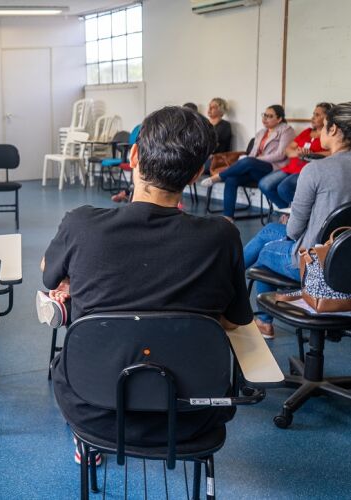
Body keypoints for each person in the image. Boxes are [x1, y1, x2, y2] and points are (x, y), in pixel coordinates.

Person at [43, 106, 253, 459]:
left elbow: (48, 273)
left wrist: (71, 275)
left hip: (94, 409)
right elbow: (233, 322)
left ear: (134, 155)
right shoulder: (222, 237)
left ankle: (88, 443)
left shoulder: (81, 225)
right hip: (194, 415)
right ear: (198, 172)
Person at [243, 102, 351, 339]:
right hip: (346, 262)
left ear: (333, 130)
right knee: (271, 230)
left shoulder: (315, 170)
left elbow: (293, 231)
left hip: (315, 265)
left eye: (323, 126)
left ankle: (263, 321)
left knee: (265, 251)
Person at [201, 105, 296, 220]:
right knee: (232, 179)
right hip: (256, 169)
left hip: (274, 168)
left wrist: (253, 160)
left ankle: (219, 176)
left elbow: (281, 154)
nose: (265, 118)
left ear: (279, 119)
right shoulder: (261, 132)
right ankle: (228, 217)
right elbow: (253, 153)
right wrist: (249, 159)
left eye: (270, 116)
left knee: (248, 161)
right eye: (264, 115)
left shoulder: (286, 130)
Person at [258, 102, 332, 211]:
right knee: (264, 184)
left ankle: (299, 214)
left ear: (327, 118)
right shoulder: (307, 132)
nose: (313, 117)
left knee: (283, 188)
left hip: (306, 171)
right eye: (313, 114)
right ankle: (287, 211)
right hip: (291, 168)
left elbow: (334, 152)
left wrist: (312, 153)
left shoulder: (329, 135)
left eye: (317, 115)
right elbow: (288, 150)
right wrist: (298, 152)